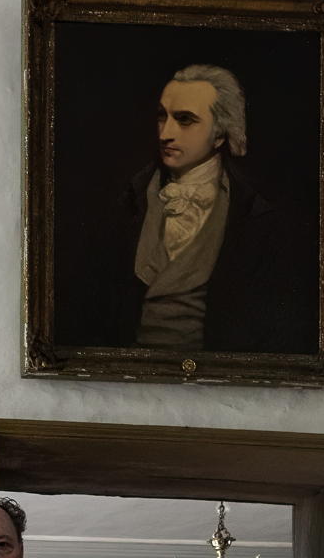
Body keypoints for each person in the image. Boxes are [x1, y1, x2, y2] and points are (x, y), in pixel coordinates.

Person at [105, 62, 301, 356]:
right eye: (162, 117)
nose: (165, 133)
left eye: (185, 120)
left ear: (221, 133)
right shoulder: (127, 201)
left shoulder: (256, 216)